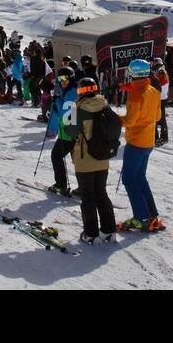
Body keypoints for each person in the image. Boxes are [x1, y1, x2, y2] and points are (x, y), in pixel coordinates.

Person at [118, 58, 163, 234]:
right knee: (140, 178)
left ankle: (141, 218)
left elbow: (130, 121)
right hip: (148, 141)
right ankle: (151, 215)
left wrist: (115, 119)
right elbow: (158, 116)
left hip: (136, 142)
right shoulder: (153, 90)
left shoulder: (136, 93)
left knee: (129, 179)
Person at [70, 76, 116, 244]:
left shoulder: (79, 110)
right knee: (101, 194)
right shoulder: (105, 106)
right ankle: (109, 231)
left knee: (88, 197)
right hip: (103, 158)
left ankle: (91, 234)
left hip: (85, 160)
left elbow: (70, 133)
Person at [46, 65, 79, 196]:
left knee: (56, 156)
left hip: (69, 132)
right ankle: (83, 188)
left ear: (71, 78)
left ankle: (61, 185)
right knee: (77, 160)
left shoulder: (72, 93)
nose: (62, 80)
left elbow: (65, 114)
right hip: (69, 132)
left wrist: (57, 101)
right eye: (60, 78)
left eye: (65, 78)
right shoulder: (69, 90)